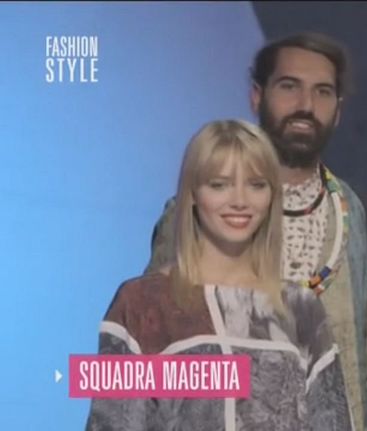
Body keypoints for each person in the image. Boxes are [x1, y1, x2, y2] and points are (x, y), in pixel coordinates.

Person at [145, 33, 367, 431]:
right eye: (289, 86)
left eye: (322, 92)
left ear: (338, 110)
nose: (305, 105)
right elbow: (153, 353)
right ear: (256, 95)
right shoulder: (193, 213)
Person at [87, 120, 351, 430]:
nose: (239, 201)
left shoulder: (300, 308)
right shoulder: (141, 304)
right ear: (192, 193)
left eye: (256, 184)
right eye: (219, 184)